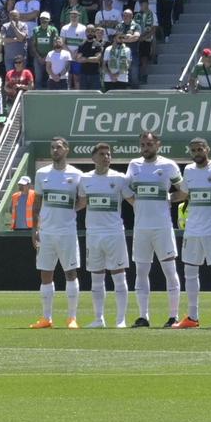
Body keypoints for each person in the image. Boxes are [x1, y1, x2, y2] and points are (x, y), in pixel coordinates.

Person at [122, 129, 181, 327]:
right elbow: (125, 189)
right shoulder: (134, 165)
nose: (145, 148)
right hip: (141, 228)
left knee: (170, 271)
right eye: (143, 145)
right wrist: (135, 204)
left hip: (162, 226)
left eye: (149, 144)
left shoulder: (168, 165)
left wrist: (169, 199)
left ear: (158, 145)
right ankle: (143, 316)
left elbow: (183, 190)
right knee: (141, 272)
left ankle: (174, 316)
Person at [177, 137, 211, 328]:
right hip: (192, 230)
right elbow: (183, 194)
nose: (197, 153)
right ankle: (192, 317)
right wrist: (163, 199)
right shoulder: (189, 171)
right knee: (190, 272)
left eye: (200, 149)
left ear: (207, 149)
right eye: (193, 150)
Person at [31, 136, 83, 329]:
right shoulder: (41, 173)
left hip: (67, 232)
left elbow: (83, 201)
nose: (55, 151)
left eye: (59, 147)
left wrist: (69, 210)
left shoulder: (77, 174)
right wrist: (35, 228)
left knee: (70, 273)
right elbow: (36, 204)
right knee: (46, 274)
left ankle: (72, 318)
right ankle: (46, 318)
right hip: (46, 232)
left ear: (66, 150)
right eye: (52, 147)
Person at [79, 142, 130, 328]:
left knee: (119, 276)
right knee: (96, 278)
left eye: (108, 154)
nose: (106, 157)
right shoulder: (84, 179)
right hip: (93, 234)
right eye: (102, 154)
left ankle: (121, 320)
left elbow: (133, 200)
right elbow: (81, 203)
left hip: (114, 233)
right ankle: (99, 319)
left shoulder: (120, 178)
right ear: (93, 158)